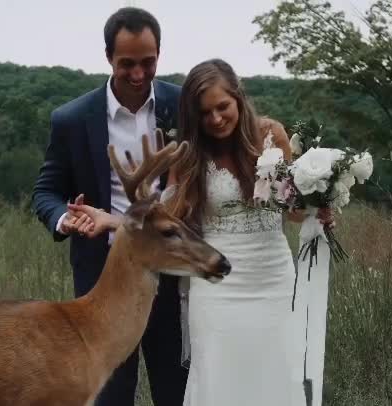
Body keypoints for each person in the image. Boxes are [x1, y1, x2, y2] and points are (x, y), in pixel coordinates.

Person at [69, 59, 318, 405]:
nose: (215, 119)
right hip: (218, 286)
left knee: (274, 372)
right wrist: (110, 220)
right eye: (204, 113)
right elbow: (166, 219)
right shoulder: (189, 156)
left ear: (238, 98)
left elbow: (294, 210)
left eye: (222, 107)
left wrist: (323, 203)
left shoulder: (271, 136)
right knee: (219, 377)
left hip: (272, 278)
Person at [31, 7, 189, 406]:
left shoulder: (182, 105)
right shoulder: (71, 119)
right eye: (127, 64)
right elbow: (45, 191)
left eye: (148, 63)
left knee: (177, 389)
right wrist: (65, 218)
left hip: (170, 277)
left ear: (159, 54)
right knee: (111, 396)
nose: (138, 75)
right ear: (107, 58)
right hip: (103, 282)